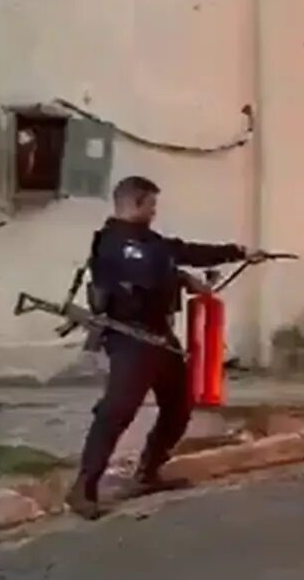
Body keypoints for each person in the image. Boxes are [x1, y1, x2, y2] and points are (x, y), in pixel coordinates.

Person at [69, 175, 251, 520]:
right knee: (117, 411)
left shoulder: (147, 241)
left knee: (179, 406)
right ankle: (83, 487)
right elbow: (151, 274)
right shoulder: (113, 243)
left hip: (159, 336)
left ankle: (148, 471)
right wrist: (183, 277)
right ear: (135, 203)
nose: (155, 211)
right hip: (129, 337)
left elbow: (181, 251)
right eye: (151, 204)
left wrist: (238, 252)